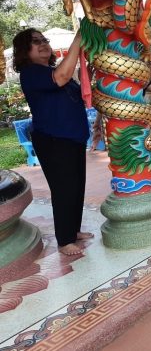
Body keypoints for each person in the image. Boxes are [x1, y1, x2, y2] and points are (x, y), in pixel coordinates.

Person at [13, 28, 92, 255]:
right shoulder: (31, 73)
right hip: (53, 140)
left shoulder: (49, 70)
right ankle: (65, 240)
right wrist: (78, 39)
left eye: (44, 40)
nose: (43, 44)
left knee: (77, 187)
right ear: (24, 51)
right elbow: (62, 77)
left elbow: (74, 88)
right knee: (64, 189)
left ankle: (73, 230)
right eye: (35, 42)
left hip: (72, 137)